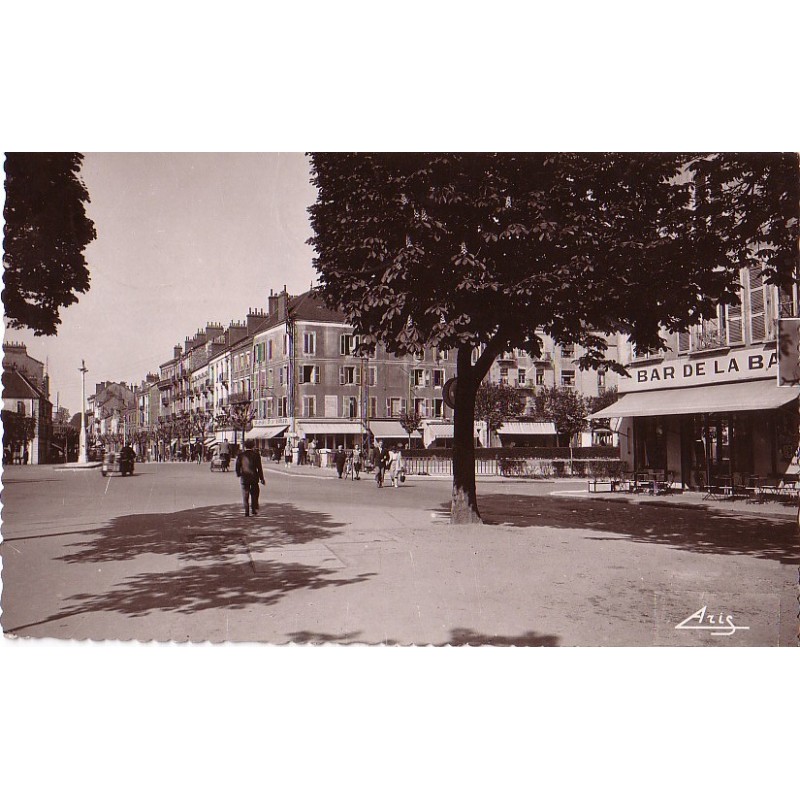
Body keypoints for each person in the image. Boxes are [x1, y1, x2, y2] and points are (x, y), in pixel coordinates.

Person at [235, 439, 265, 517]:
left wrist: (238, 474)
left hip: (244, 477)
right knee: (255, 493)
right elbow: (259, 468)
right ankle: (254, 509)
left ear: (245, 446)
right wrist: (262, 478)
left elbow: (237, 466)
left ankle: (246, 510)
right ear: (253, 446)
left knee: (245, 494)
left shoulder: (241, 455)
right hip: (254, 477)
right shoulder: (256, 455)